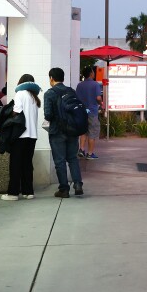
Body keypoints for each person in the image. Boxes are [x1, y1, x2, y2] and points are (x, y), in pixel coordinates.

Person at [43, 67, 84, 198]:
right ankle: (78, 184)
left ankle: (64, 189)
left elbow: (48, 115)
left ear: (51, 78)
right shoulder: (71, 91)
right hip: (72, 130)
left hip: (57, 132)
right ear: (63, 78)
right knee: (72, 158)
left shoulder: (49, 93)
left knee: (60, 160)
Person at [2, 75, 42, 201]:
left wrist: (8, 113)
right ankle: (28, 192)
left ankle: (13, 193)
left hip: (20, 135)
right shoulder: (34, 98)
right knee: (27, 164)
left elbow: (17, 111)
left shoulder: (20, 93)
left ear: (21, 82)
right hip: (32, 136)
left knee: (15, 164)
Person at [75, 66, 103, 160]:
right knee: (92, 132)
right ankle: (90, 154)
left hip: (82, 112)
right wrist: (101, 103)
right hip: (92, 112)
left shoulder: (80, 85)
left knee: (83, 131)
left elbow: (77, 98)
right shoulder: (95, 84)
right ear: (91, 73)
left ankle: (81, 150)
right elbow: (98, 98)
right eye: (93, 72)